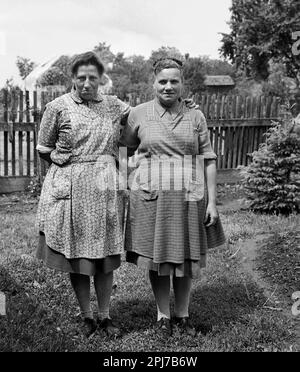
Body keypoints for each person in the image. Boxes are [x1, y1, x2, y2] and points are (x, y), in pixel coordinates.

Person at [120, 57, 226, 338]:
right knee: (158, 259)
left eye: (174, 81)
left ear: (182, 84)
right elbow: (123, 150)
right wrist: (126, 178)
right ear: (153, 83)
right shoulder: (138, 114)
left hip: (189, 197)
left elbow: (209, 159)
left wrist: (213, 201)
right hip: (150, 197)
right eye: (162, 81)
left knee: (184, 259)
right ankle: (162, 316)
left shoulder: (195, 116)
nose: (168, 86)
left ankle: (182, 315)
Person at [35, 51, 130, 338]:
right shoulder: (58, 107)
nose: (87, 83)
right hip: (71, 189)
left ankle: (105, 315)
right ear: (73, 79)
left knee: (105, 254)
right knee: (76, 254)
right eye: (81, 77)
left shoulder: (114, 106)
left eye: (93, 77)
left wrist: (182, 106)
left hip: (104, 187)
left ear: (102, 79)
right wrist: (62, 173)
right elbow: (43, 148)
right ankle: (86, 315)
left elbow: (142, 119)